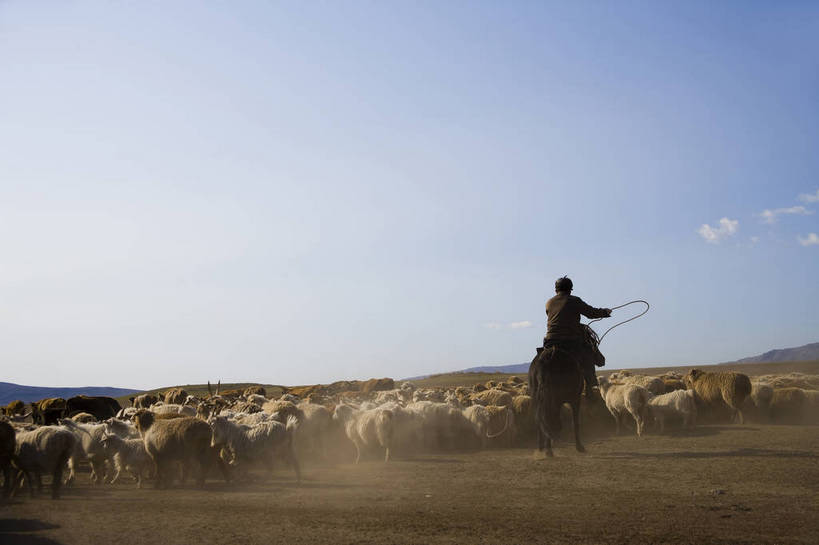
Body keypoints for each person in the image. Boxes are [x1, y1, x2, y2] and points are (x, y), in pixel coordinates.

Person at [542, 276, 611, 392]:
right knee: (588, 356)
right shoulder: (574, 300)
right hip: (570, 341)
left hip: (550, 341)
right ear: (570, 290)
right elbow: (590, 313)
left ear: (556, 290)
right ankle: (592, 388)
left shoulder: (549, 302)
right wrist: (604, 312)